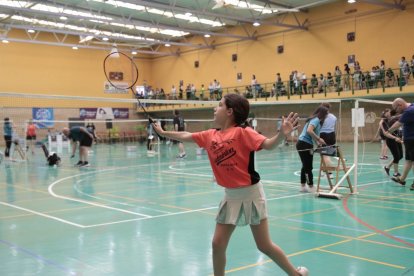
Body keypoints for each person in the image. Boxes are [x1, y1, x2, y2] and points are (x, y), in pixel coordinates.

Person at [151, 93, 308, 276]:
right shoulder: (210, 135)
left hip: (251, 194)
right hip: (230, 195)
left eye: (219, 105)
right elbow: (186, 135)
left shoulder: (243, 132)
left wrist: (281, 135)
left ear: (230, 111)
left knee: (264, 245)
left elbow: (268, 144)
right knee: (217, 244)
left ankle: (295, 274)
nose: (214, 108)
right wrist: (163, 133)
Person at [296, 106, 329, 193]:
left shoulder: (315, 120)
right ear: (323, 113)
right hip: (304, 144)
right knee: (308, 166)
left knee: (305, 165)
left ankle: (303, 186)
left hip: (302, 143)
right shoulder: (316, 120)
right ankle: (311, 186)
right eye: (326, 114)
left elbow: (311, 134)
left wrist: (318, 143)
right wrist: (319, 139)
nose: (327, 116)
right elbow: (309, 131)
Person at [388, 98, 414, 190]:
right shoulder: (411, 107)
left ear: (400, 104)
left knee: (413, 161)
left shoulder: (409, 111)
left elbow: (397, 124)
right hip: (409, 140)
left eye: (396, 109)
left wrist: (388, 131)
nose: (396, 111)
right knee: (408, 160)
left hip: (412, 139)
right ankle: (402, 179)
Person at [380, 109, 403, 178]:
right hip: (391, 140)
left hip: (397, 139)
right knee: (396, 156)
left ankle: (387, 167)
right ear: (384, 114)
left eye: (389, 112)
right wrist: (395, 138)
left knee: (400, 156)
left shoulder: (395, 118)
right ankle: (396, 172)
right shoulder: (383, 122)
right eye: (386, 112)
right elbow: (386, 134)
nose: (388, 113)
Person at [319, 103, 337, 170]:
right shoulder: (334, 117)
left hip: (323, 136)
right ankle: (325, 171)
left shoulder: (320, 117)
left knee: (324, 155)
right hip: (332, 136)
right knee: (326, 154)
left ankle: (329, 171)